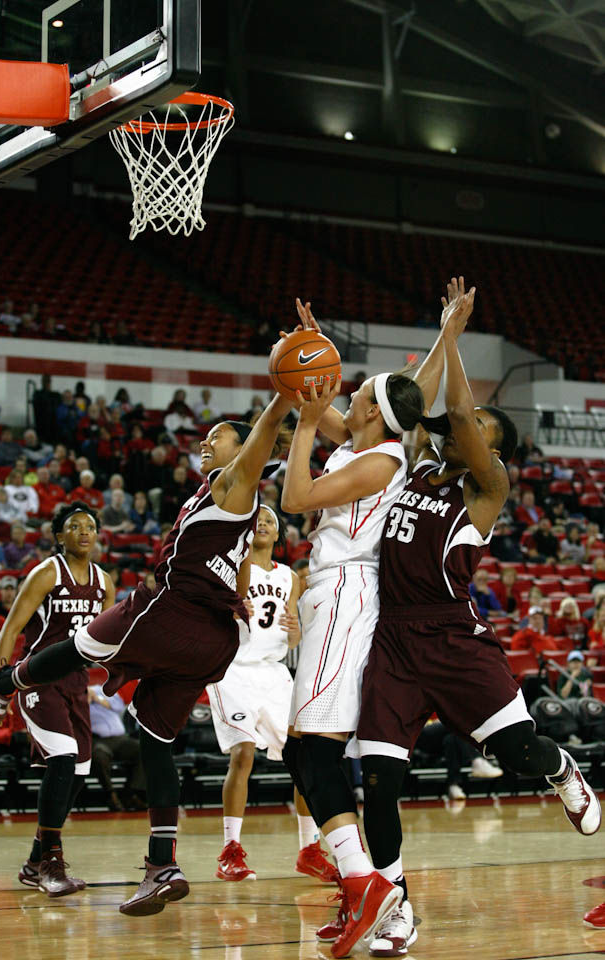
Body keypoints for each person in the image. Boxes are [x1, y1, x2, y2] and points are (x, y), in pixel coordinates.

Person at [337, 278, 599, 958]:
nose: (461, 427)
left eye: (478, 427)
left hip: (453, 636)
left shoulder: (489, 486)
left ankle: (560, 768)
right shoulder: (417, 469)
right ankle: (396, 910)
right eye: (465, 423)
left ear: (494, 449)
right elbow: (420, 406)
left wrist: (453, 340)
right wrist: (443, 334)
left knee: (516, 755)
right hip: (392, 638)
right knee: (379, 782)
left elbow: (453, 410)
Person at [0, 392, 294, 917]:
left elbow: (260, 440)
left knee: (76, 648)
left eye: (219, 437)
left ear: (243, 450)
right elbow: (237, 582)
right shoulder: (242, 509)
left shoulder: (232, 486)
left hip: (171, 612)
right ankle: (162, 862)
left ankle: (2, 683)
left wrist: (283, 392)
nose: (205, 442)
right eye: (206, 436)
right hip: (215, 639)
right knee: (154, 739)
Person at [278, 299, 427, 955]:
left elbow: (295, 500)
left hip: (346, 596)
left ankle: (369, 885)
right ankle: (365, 888)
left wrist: (307, 424)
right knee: (304, 752)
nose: (351, 392)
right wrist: (304, 354)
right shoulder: (361, 444)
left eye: (359, 392)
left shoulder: (383, 460)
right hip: (330, 597)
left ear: (374, 412)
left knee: (313, 750)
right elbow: (315, 401)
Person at [0, 503, 114, 896]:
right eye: (74, 526)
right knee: (61, 761)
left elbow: (106, 643)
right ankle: (51, 863)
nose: (83, 532)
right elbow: (11, 628)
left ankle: (33, 862)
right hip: (38, 679)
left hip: (75, 684)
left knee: (77, 776)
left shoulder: (104, 582)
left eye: (90, 526)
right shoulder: (46, 573)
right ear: (59, 535)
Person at [207, 505, 337, 884]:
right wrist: (228, 610)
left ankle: (309, 850)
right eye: (256, 520)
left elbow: (292, 637)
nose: (262, 524)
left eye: (269, 521)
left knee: (304, 759)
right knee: (244, 752)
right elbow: (211, 616)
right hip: (232, 670)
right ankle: (230, 851)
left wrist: (295, 629)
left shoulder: (290, 578)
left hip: (274, 671)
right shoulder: (231, 570)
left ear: (279, 535)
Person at [88, 683, 146, 812]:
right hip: (97, 740)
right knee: (99, 756)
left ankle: (131, 793)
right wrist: (84, 701)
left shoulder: (102, 690)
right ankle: (111, 795)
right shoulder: (75, 696)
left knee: (143, 750)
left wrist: (97, 699)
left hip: (120, 738)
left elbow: (119, 707)